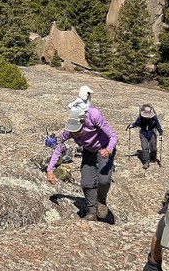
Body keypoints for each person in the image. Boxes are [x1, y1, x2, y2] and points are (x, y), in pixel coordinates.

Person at [47, 87, 117, 221]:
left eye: (77, 132)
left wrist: (108, 149)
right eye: (72, 132)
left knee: (104, 179)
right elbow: (58, 147)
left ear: (82, 123)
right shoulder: (69, 131)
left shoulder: (93, 116)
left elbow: (113, 136)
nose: (75, 135)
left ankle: (101, 201)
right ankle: (91, 212)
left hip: (104, 147)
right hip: (89, 151)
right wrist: (50, 169)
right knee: (86, 183)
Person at [130, 104, 164, 169]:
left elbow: (158, 126)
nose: (147, 117)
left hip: (151, 133)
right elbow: (136, 123)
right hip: (143, 134)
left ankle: (152, 157)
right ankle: (146, 161)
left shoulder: (154, 118)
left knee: (153, 148)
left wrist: (160, 134)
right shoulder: (141, 118)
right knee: (145, 148)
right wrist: (132, 125)